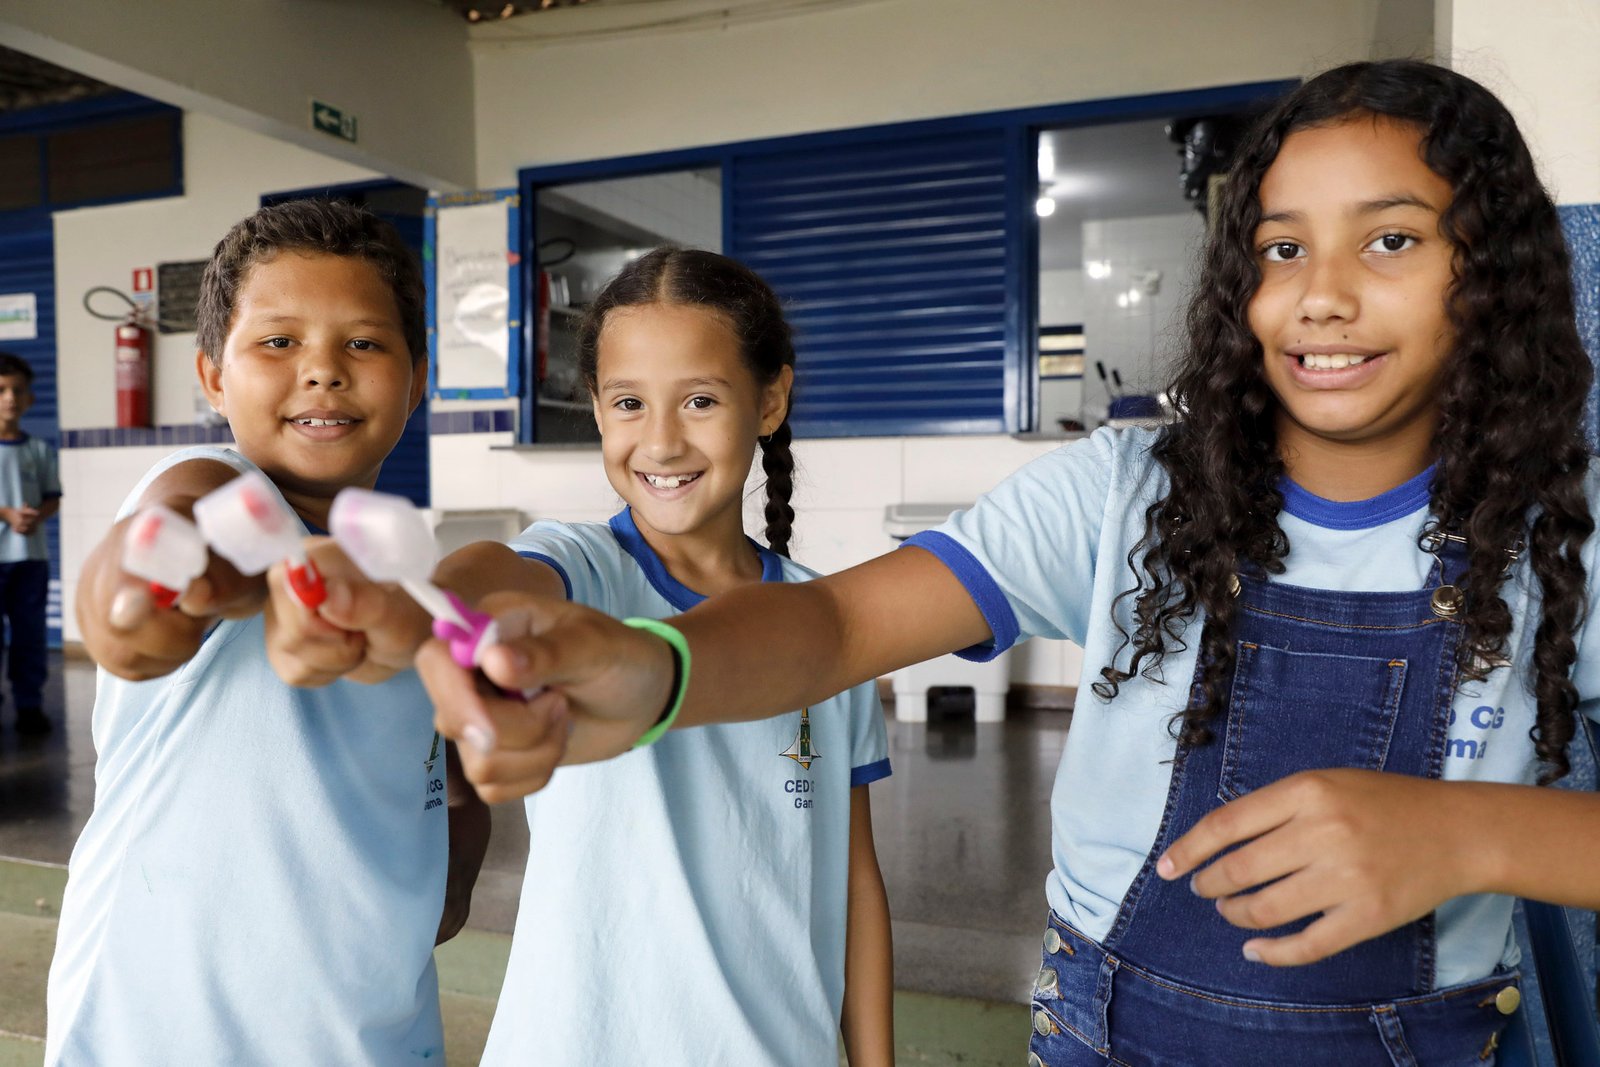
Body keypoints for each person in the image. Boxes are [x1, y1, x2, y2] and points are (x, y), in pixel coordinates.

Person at [418, 60, 1600, 1064]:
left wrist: (1472, 834)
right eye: (1281, 247)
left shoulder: (1565, 531)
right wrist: (655, 666)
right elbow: (834, 627)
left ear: (1490, 269)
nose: (1321, 296)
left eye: (1390, 239)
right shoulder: (1120, 493)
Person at [277, 247, 896, 1064]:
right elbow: (497, 578)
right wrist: (415, 603)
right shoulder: (582, 567)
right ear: (599, 411)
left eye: (701, 400)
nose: (662, 441)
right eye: (630, 402)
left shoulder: (827, 625)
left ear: (770, 400)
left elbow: (853, 881)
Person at [47, 200, 488, 1065]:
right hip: (164, 1031)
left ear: (417, 378)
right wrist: (143, 591)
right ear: (213, 378)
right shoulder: (212, 485)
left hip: (372, 1027)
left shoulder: (405, 570)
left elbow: (444, 755)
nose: (322, 371)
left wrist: (455, 859)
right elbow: (163, 559)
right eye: (279, 341)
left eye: (363, 343)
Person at [0, 351, 60, 735]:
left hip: (30, 560)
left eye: (18, 390)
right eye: (2, 390)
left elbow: (53, 497)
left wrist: (36, 516)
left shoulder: (39, 450)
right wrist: (6, 514)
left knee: (29, 634)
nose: (10, 398)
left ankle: (29, 704)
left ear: (30, 398)